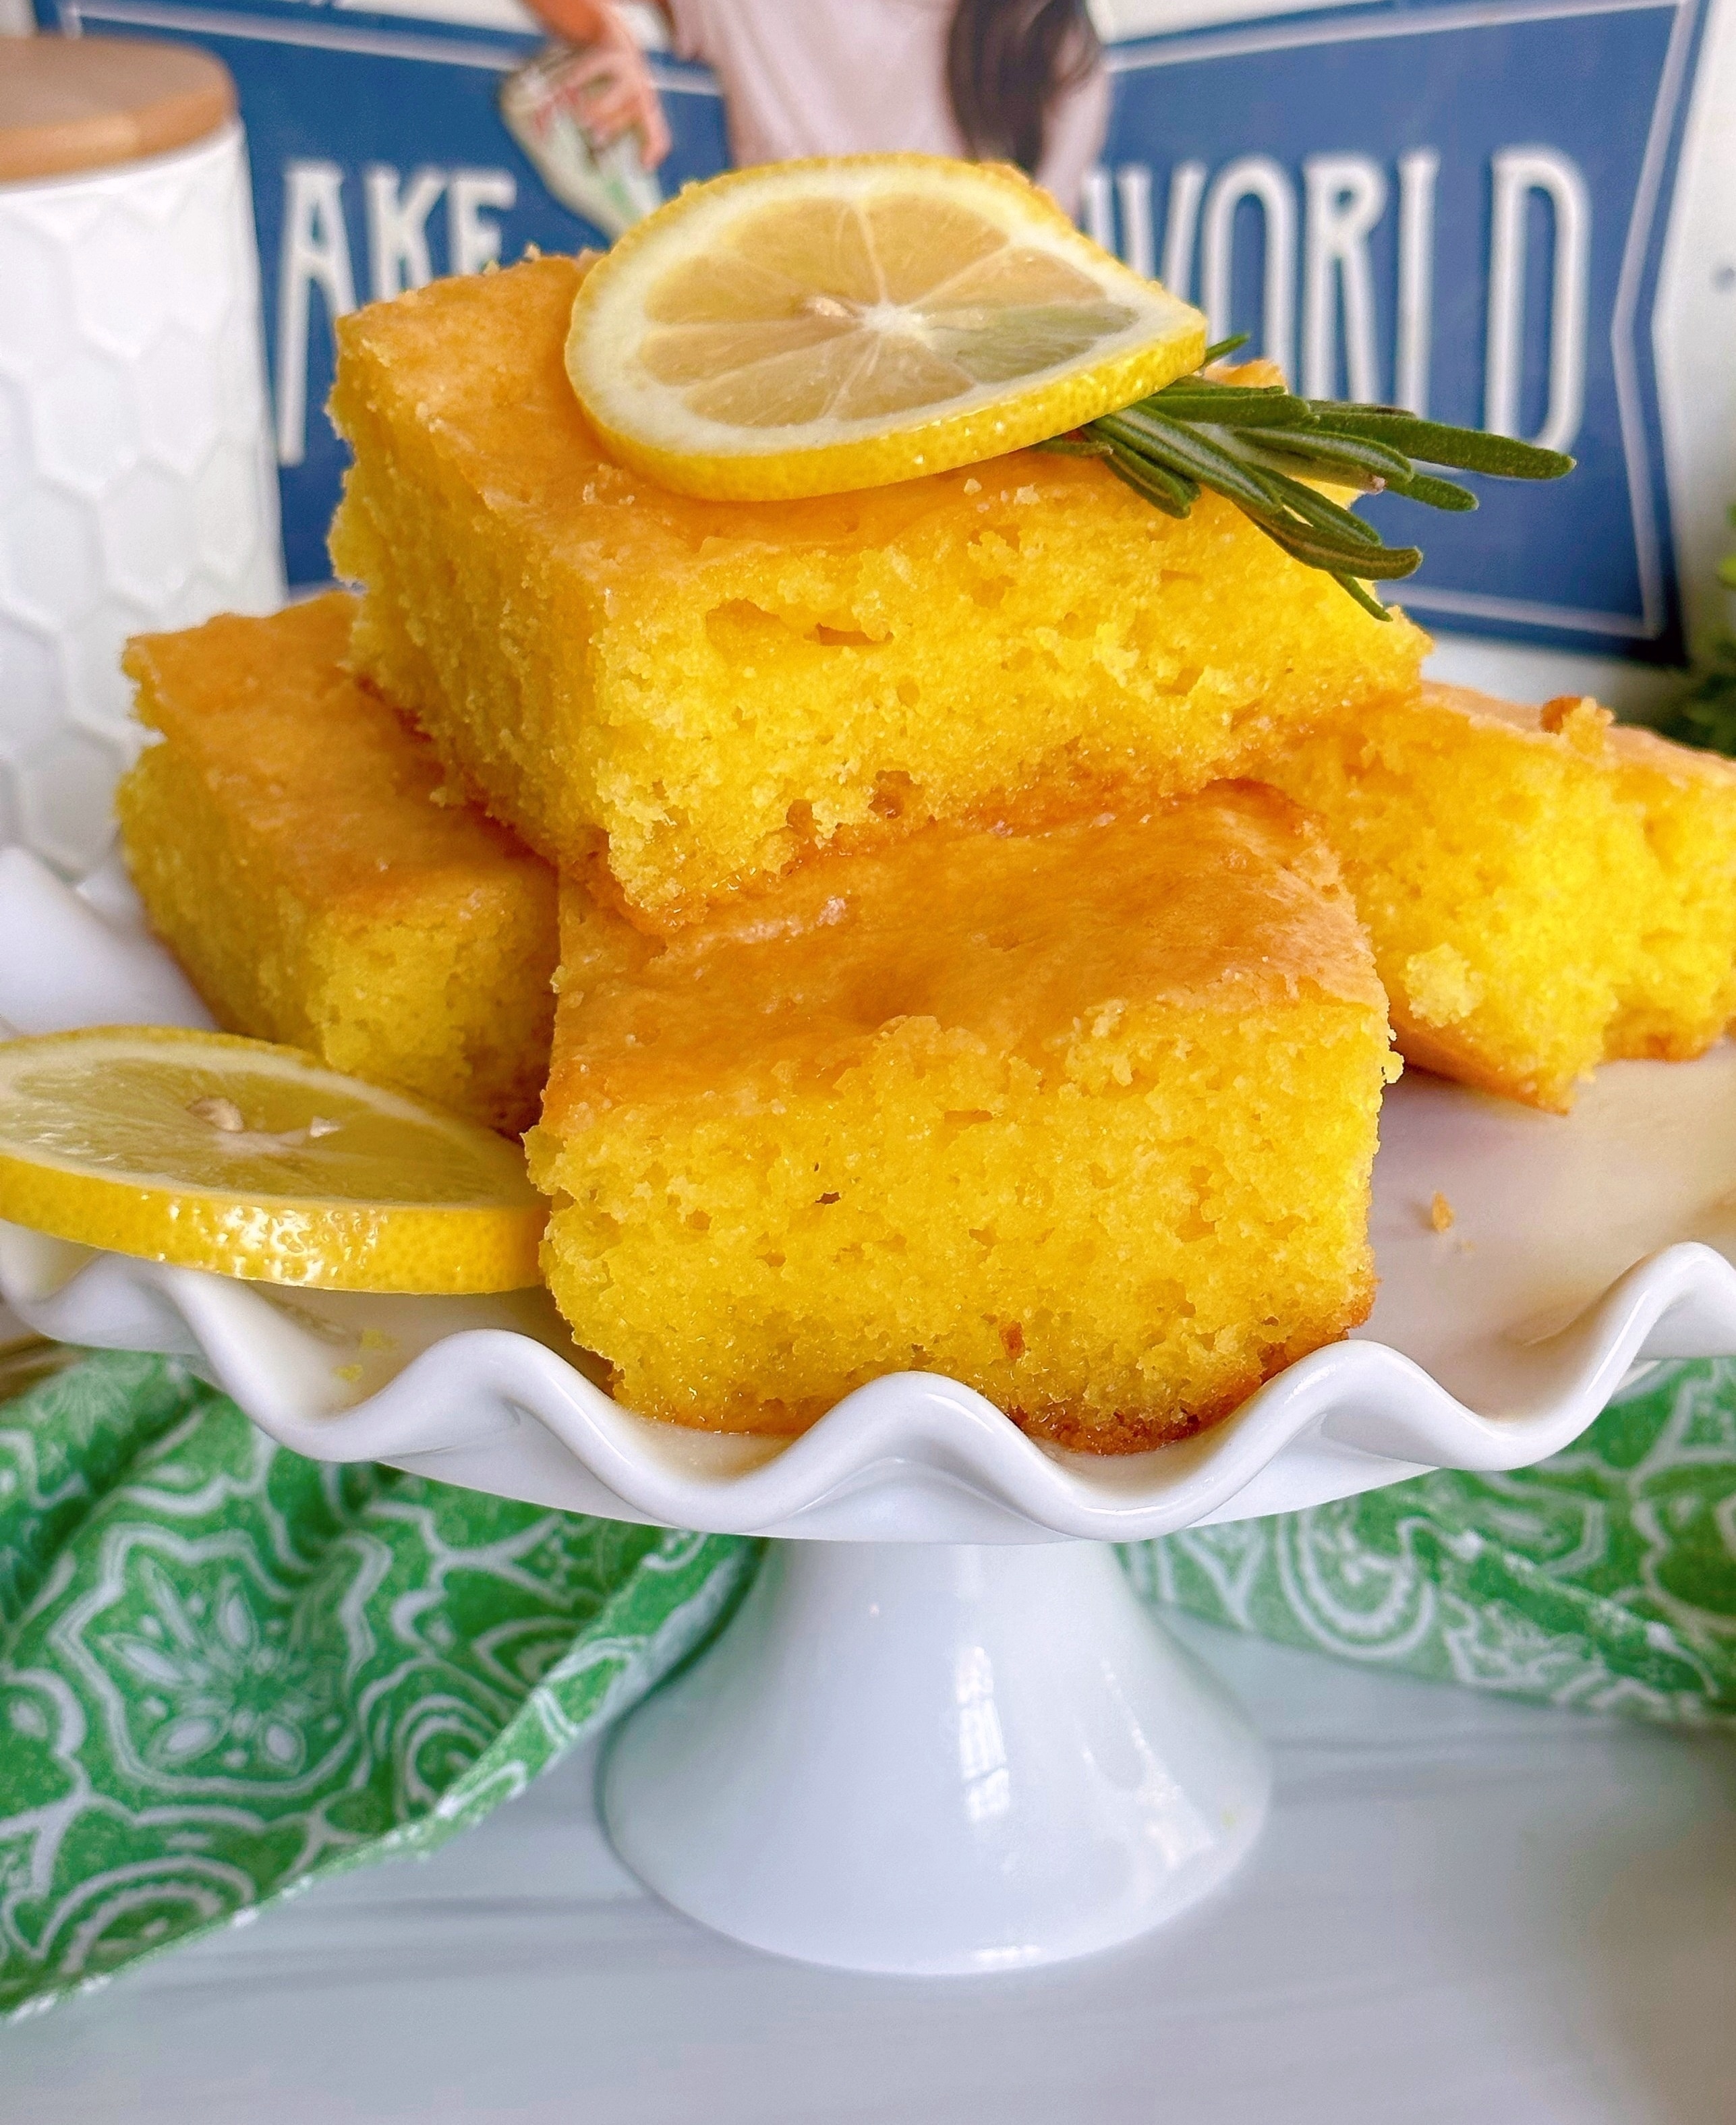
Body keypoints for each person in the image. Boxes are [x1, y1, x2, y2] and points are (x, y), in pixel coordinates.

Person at [523, 0, 1109, 217]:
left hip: (961, 413)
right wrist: (608, 36)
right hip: (775, 375)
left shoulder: (1055, 47)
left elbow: (1034, 285)